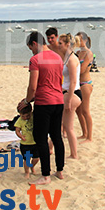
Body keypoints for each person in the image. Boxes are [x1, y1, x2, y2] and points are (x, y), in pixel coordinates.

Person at [17, 32, 65, 185]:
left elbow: (33, 86)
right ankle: (60, 170)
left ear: (34, 43)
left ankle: (45, 175)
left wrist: (26, 101)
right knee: (56, 136)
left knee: (41, 138)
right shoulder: (58, 57)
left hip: (44, 102)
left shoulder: (35, 59)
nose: (31, 51)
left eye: (31, 48)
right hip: (59, 101)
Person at [59, 33, 82, 159]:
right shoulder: (67, 58)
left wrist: (68, 99)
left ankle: (74, 154)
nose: (58, 45)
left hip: (72, 94)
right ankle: (51, 148)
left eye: (60, 43)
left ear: (68, 44)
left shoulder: (72, 59)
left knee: (68, 127)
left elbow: (73, 81)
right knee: (61, 124)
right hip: (67, 92)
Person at [75, 31, 94, 143]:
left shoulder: (88, 53)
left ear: (85, 40)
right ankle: (84, 133)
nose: (78, 42)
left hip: (85, 83)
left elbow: (81, 70)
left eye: (80, 39)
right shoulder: (77, 52)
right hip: (78, 83)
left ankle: (89, 137)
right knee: (78, 110)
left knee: (85, 111)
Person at [14, 103, 40, 178]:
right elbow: (17, 130)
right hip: (25, 144)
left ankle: (32, 167)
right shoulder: (19, 120)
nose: (25, 118)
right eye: (23, 116)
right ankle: (27, 172)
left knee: (36, 158)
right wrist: (21, 136)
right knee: (26, 159)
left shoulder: (33, 117)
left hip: (34, 142)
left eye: (27, 116)